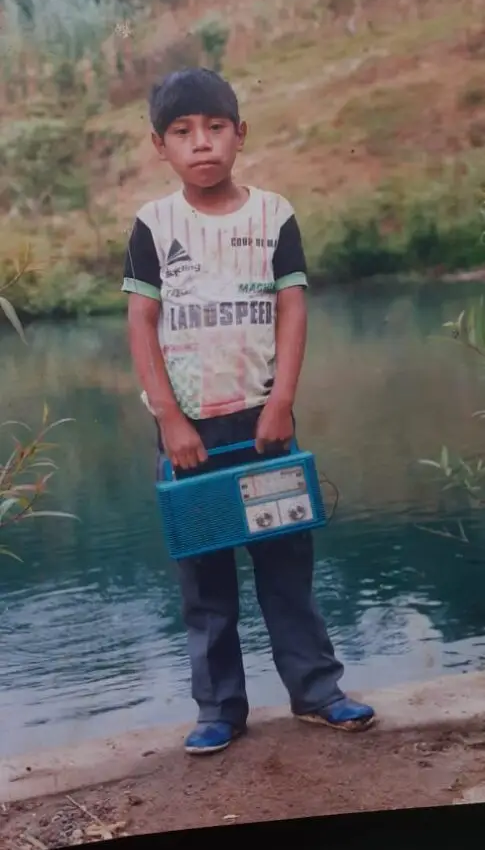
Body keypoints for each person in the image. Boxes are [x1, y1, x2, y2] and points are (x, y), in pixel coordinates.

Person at [122, 67, 375, 755]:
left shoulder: (273, 215)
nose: (201, 144)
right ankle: (219, 710)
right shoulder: (153, 224)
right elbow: (142, 323)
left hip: (263, 426)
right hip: (190, 434)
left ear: (240, 135)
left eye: (214, 128)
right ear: (160, 146)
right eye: (183, 133)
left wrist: (282, 402)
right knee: (205, 583)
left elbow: (291, 307)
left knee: (285, 565)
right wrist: (170, 419)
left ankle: (317, 693)